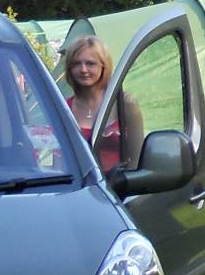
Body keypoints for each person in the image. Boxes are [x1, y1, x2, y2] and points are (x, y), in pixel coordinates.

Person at [60, 35, 143, 173]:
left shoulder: (126, 105)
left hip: (120, 189)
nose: (83, 69)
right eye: (77, 64)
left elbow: (138, 159)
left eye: (90, 63)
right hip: (79, 189)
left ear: (103, 66)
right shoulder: (63, 108)